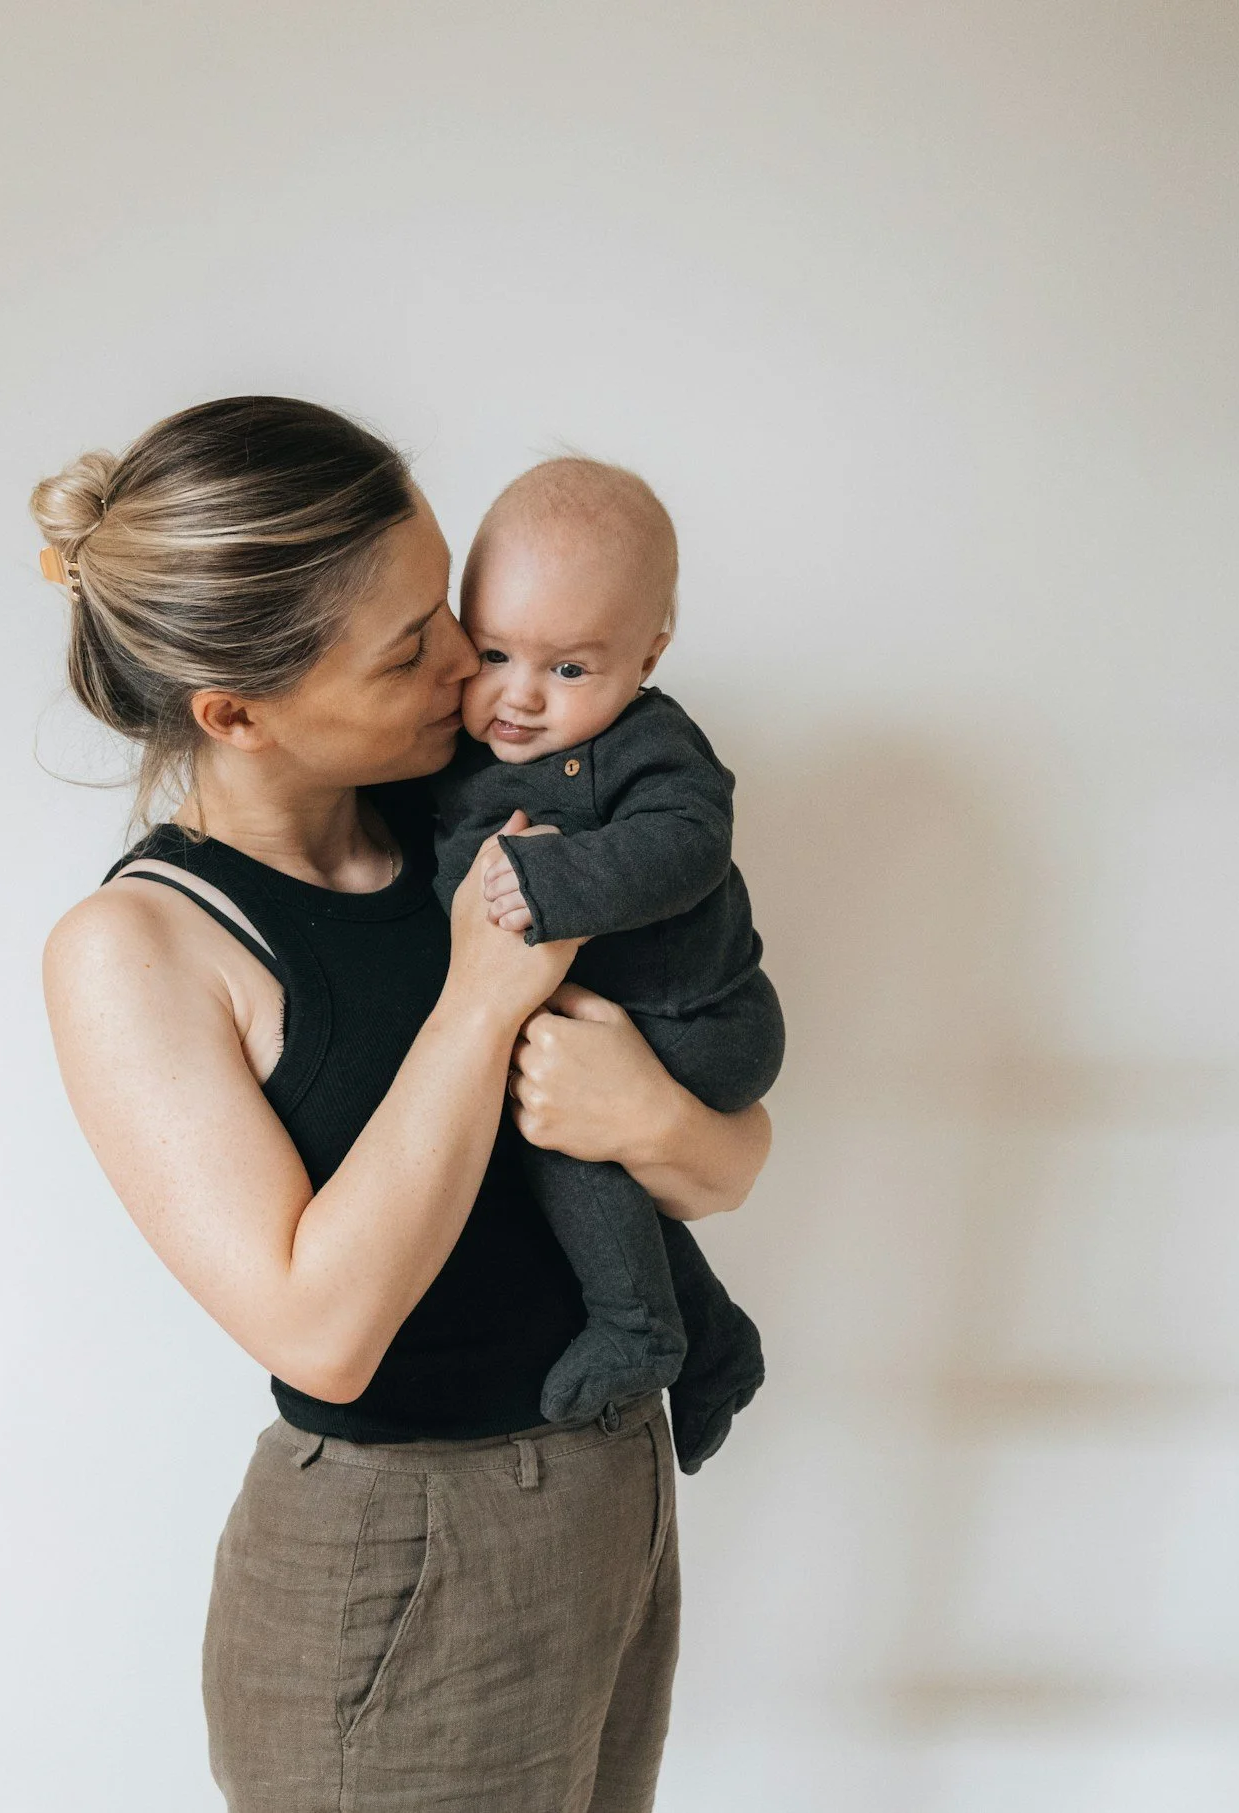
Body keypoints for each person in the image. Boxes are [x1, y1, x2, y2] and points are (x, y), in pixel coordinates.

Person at [31, 397, 773, 1813]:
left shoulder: (480, 811)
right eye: (413, 647)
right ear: (236, 712)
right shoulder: (140, 951)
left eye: (448, 611)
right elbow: (322, 1328)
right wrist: (482, 1001)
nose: (470, 666)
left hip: (613, 1493)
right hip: (406, 1551)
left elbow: (727, 1160)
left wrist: (653, 1118)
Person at [433, 458, 777, 1473]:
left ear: (648, 651)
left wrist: (560, 883)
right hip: (602, 1029)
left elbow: (688, 843)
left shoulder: (650, 747)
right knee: (563, 1152)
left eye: (569, 668)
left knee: (552, 1138)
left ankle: (643, 1330)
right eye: (492, 651)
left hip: (698, 1020)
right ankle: (715, 1344)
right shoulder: (457, 758)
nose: (520, 696)